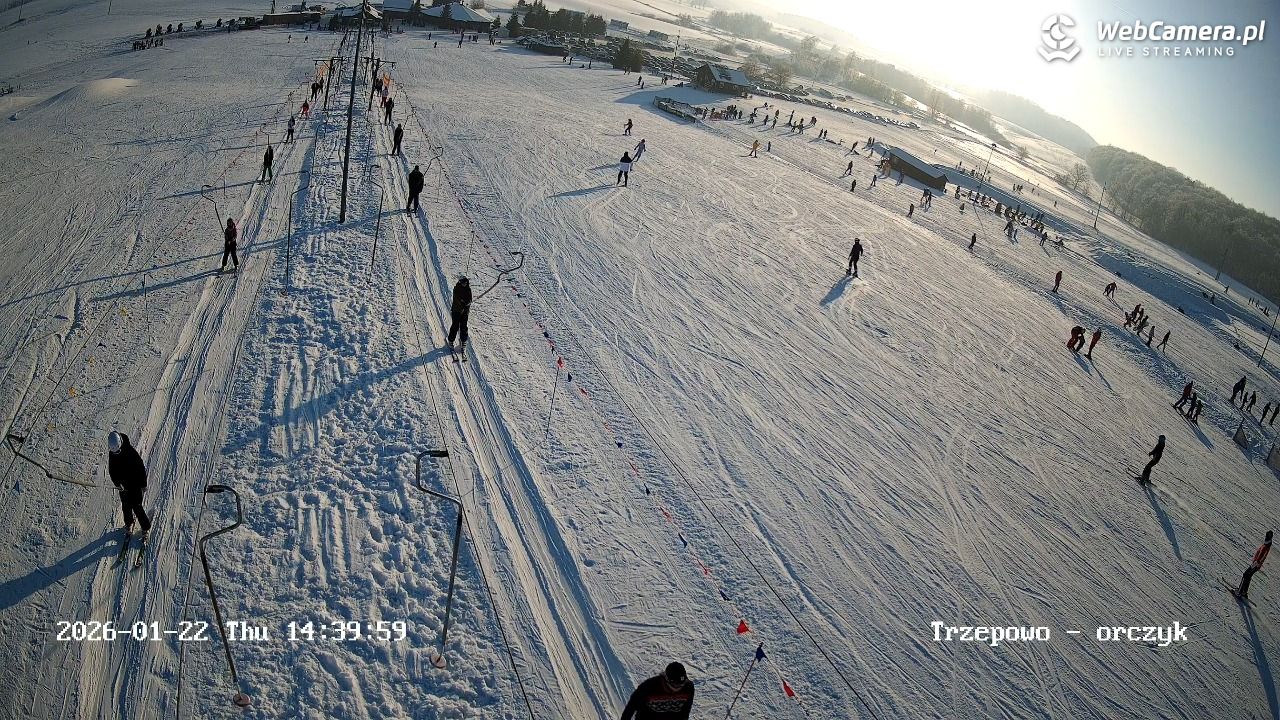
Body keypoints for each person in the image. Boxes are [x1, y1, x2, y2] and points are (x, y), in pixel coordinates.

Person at [108, 431, 151, 536]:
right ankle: (129, 523)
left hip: (134, 485)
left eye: (118, 451)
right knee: (126, 506)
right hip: (123, 486)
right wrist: (117, 484)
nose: (116, 453)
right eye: (115, 452)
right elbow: (112, 470)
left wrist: (143, 484)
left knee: (137, 506)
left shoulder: (130, 452)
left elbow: (141, 468)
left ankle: (145, 527)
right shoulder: (112, 453)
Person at [620, 662, 694, 720]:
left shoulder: (688, 688)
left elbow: (685, 711)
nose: (679, 688)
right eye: (675, 685)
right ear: (666, 678)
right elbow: (631, 707)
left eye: (682, 684)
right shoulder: (648, 687)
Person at [1237, 531, 1273, 601]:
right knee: (1248, 576)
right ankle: (1244, 592)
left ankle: (1239, 592)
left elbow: (1262, 555)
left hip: (1256, 564)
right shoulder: (1267, 545)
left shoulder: (1266, 546)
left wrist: (1256, 562)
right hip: (1257, 564)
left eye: (1266, 536)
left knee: (1245, 575)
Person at [448, 276, 471, 351]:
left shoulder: (468, 289)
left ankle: (463, 341)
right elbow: (457, 299)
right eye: (463, 283)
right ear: (460, 282)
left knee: (464, 327)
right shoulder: (456, 289)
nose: (465, 284)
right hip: (456, 311)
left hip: (465, 312)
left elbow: (470, 298)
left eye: (466, 282)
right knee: (455, 326)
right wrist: (463, 303)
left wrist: (468, 303)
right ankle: (451, 341)